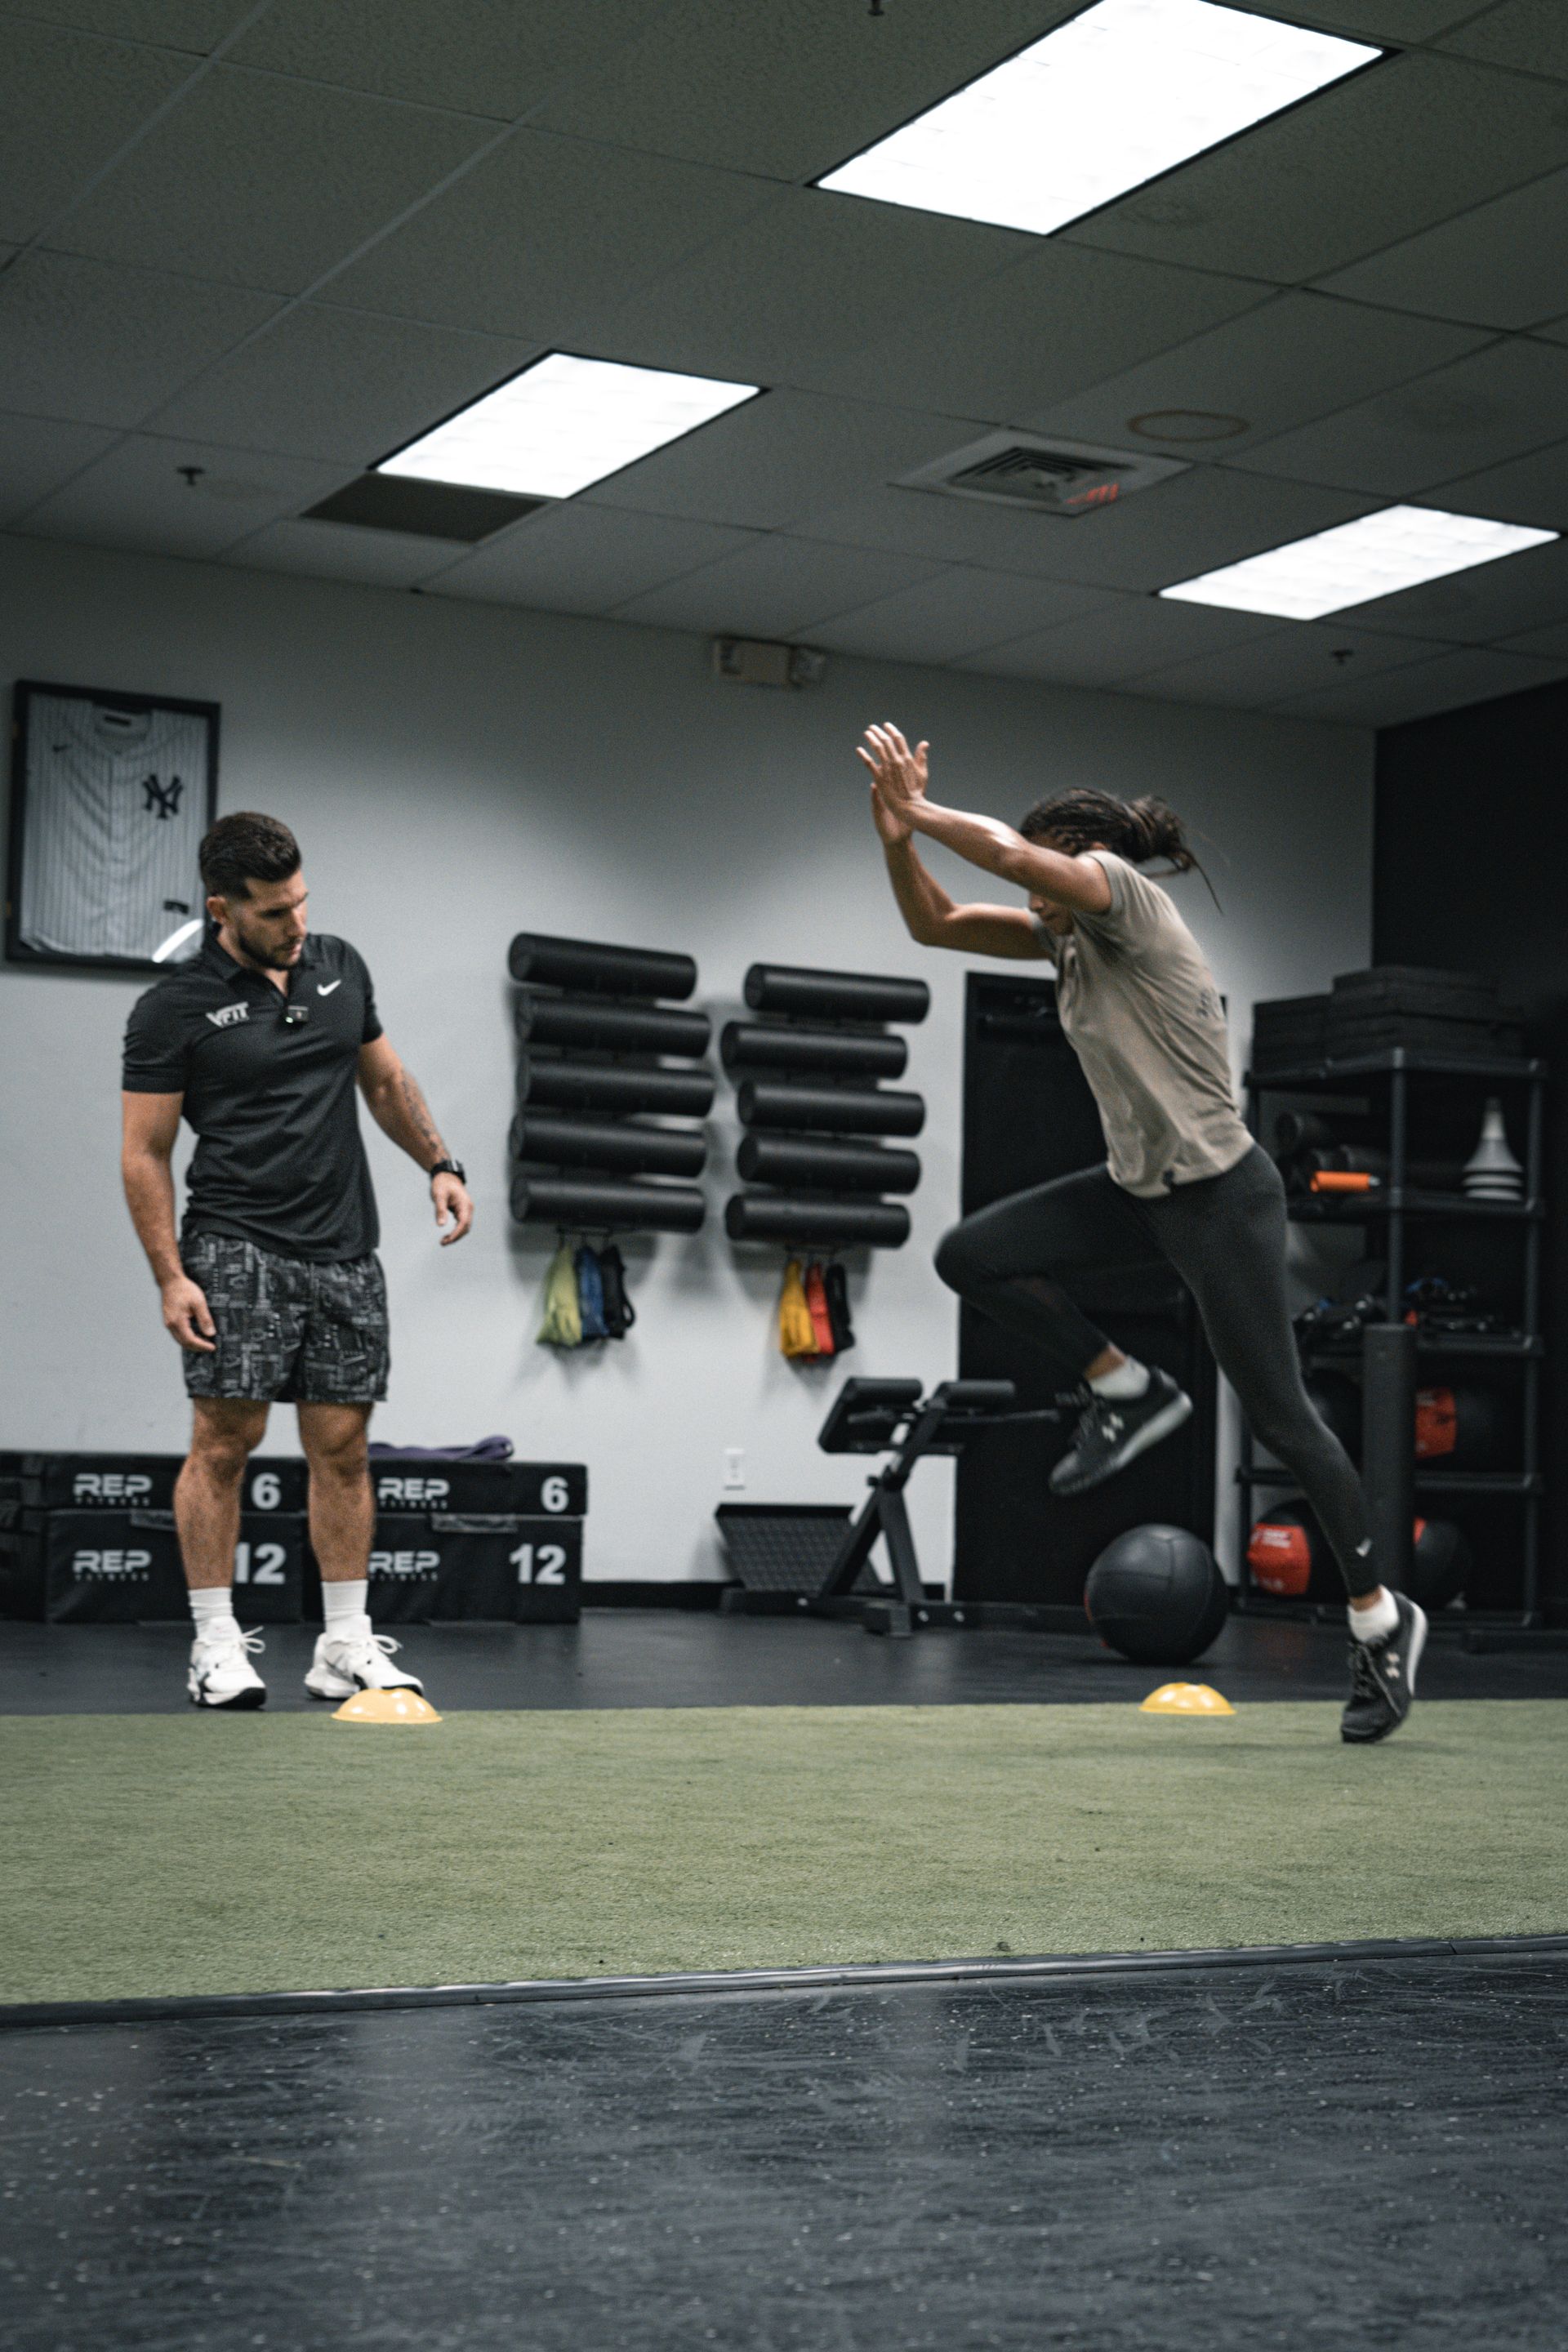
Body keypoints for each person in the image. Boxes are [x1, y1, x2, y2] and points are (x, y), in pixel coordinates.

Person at [858, 721, 1423, 1746]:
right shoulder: (1063, 942)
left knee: (1285, 1421)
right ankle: (1125, 1386)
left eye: (1050, 872)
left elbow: (1010, 858)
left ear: (1083, 859)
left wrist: (921, 810)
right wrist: (898, 842)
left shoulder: (1124, 895)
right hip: (1138, 1191)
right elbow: (934, 925)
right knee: (972, 1256)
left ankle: (1380, 1620)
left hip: (1221, 1198)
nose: (1038, 895)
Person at [120, 812, 474, 1710]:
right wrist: (171, 1275)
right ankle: (214, 1646)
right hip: (236, 1245)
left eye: (302, 902)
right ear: (222, 909)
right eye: (275, 912)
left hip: (345, 1250)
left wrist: (440, 1163)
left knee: (344, 1451)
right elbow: (145, 1153)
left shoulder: (340, 967)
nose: (297, 924)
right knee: (224, 1444)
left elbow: (384, 1081)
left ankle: (343, 1644)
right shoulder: (172, 1007)